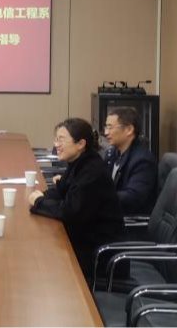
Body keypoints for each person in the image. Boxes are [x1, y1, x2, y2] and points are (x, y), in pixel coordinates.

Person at [28, 118, 124, 278]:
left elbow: (70, 212)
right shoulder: (79, 163)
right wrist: (43, 196)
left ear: (80, 144)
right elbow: (61, 192)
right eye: (56, 139)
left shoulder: (92, 172)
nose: (56, 145)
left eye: (61, 140)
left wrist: (39, 202)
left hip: (99, 256)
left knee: (40, 263)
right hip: (82, 241)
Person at [103, 107, 158, 215]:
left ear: (129, 130)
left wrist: (99, 197)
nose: (106, 132)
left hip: (130, 217)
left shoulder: (143, 161)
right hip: (113, 211)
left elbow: (133, 197)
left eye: (110, 127)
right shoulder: (113, 153)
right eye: (106, 127)